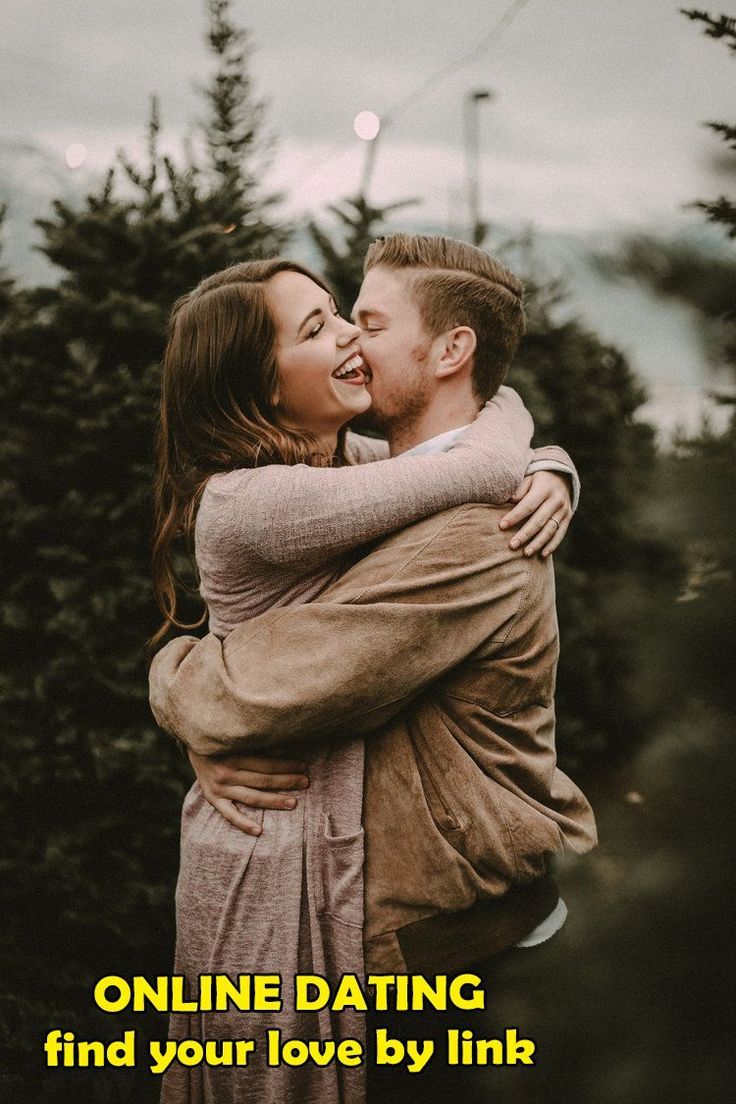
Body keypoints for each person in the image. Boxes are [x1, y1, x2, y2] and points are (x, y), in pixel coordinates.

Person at [149, 248, 581, 1104]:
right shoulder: (267, 498)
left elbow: (283, 679)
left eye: (360, 320)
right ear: (261, 384)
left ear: (451, 352)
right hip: (272, 839)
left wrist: (545, 462)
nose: (349, 336)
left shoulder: (393, 488)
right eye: (323, 326)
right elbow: (481, 455)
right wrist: (543, 456)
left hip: (430, 921)